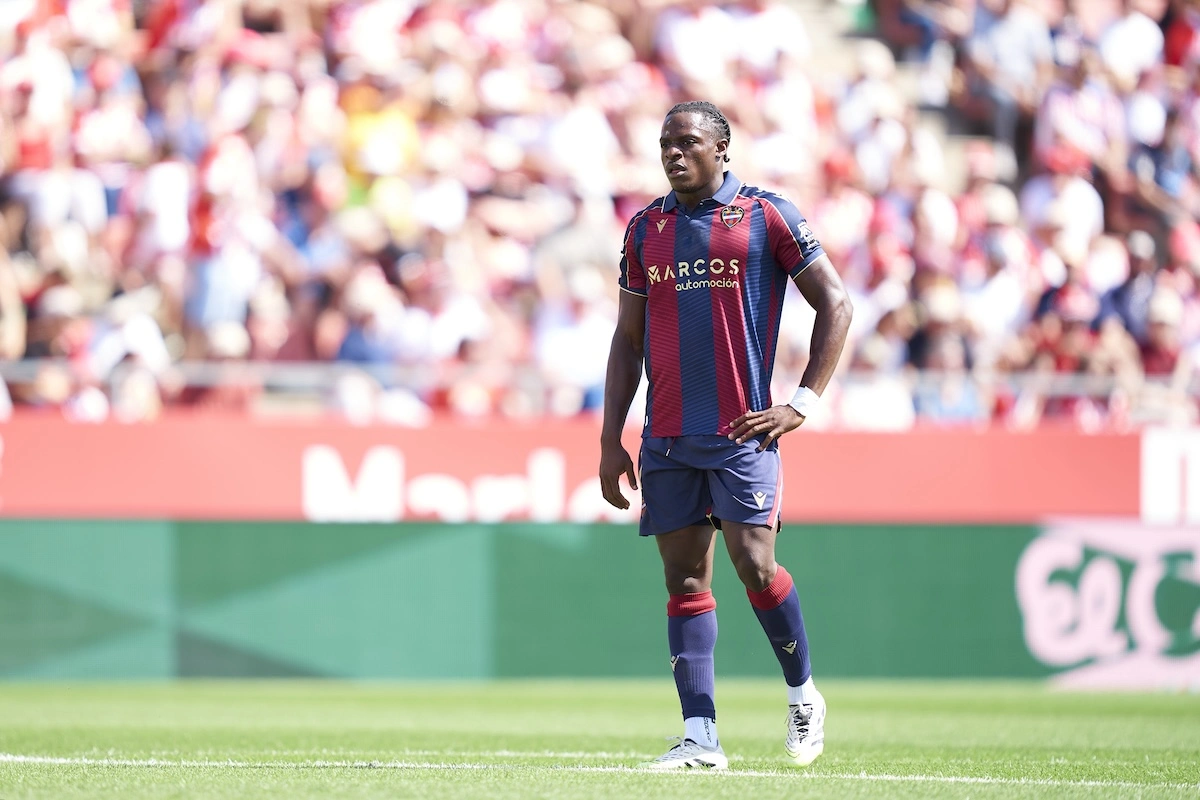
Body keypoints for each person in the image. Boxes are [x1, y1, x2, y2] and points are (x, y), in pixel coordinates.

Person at [598, 101, 853, 770]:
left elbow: (836, 302)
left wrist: (801, 402)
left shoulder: (767, 216)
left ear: (722, 149)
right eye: (665, 144)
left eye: (688, 142)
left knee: (755, 564)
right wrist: (608, 438)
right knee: (684, 583)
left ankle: (802, 696)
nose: (674, 154)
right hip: (667, 439)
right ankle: (700, 736)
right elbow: (626, 343)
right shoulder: (645, 228)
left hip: (743, 431)